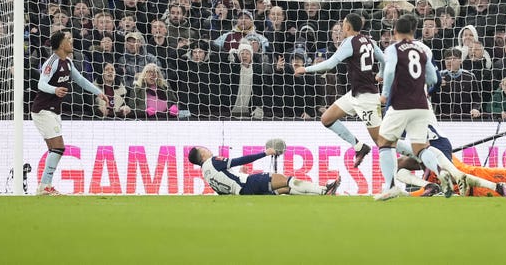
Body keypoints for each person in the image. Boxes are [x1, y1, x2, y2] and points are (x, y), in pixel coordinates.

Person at [375, 14, 475, 201]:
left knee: (384, 142)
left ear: (395, 32)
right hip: (422, 105)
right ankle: (440, 172)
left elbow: (388, 71)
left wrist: (385, 93)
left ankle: (390, 187)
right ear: (413, 32)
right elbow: (435, 79)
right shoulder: (422, 50)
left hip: (400, 103)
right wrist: (425, 90)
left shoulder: (393, 49)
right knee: (421, 147)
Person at [294, 13, 385, 168]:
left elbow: (330, 64)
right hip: (354, 94)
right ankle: (359, 147)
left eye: (343, 24)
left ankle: (419, 154)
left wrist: (306, 69)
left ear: (347, 26)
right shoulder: (369, 41)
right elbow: (384, 59)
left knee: (382, 142)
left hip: (367, 98)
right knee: (326, 118)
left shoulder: (349, 42)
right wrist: (380, 74)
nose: (342, 27)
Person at [31, 31, 108, 195]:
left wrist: (98, 92)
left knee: (55, 150)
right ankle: (44, 186)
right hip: (43, 110)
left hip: (53, 111)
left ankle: (45, 186)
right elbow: (41, 84)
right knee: (58, 148)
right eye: (68, 40)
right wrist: (55, 89)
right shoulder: (51, 63)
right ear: (60, 44)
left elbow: (80, 80)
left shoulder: (68, 63)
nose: (71, 42)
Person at [187, 146, 341, 195]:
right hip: (249, 184)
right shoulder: (213, 161)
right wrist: (264, 153)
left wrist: (240, 174)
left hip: (243, 193)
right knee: (286, 179)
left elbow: (223, 190)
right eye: (203, 149)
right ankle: (323, 189)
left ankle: (322, 194)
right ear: (202, 154)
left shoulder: (205, 174)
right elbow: (240, 160)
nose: (207, 149)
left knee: (285, 188)